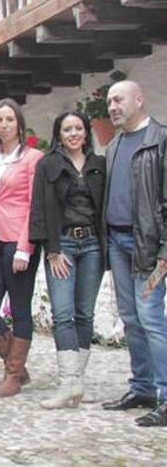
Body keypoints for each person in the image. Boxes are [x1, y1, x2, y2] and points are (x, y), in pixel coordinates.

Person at [100, 80, 167, 427]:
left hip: (150, 250)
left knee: (152, 318)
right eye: (110, 101)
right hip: (117, 244)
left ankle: (166, 396)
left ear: (139, 99)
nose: (113, 106)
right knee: (130, 319)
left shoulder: (161, 140)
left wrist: (165, 253)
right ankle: (141, 388)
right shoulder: (113, 146)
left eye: (119, 99)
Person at [29, 111, 105, 409]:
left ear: (86, 133)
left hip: (92, 246)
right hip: (63, 245)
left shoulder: (99, 165)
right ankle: (66, 382)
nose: (73, 133)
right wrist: (52, 250)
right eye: (66, 129)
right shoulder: (47, 164)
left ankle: (78, 383)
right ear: (58, 134)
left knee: (85, 313)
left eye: (78, 128)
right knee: (63, 314)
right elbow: (40, 208)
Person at [0, 98, 43, 398]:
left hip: (18, 240)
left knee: (19, 308)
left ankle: (13, 375)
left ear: (19, 123)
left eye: (9, 119)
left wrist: (24, 248)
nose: (3, 125)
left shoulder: (33, 158)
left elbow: (33, 205)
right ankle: (18, 368)